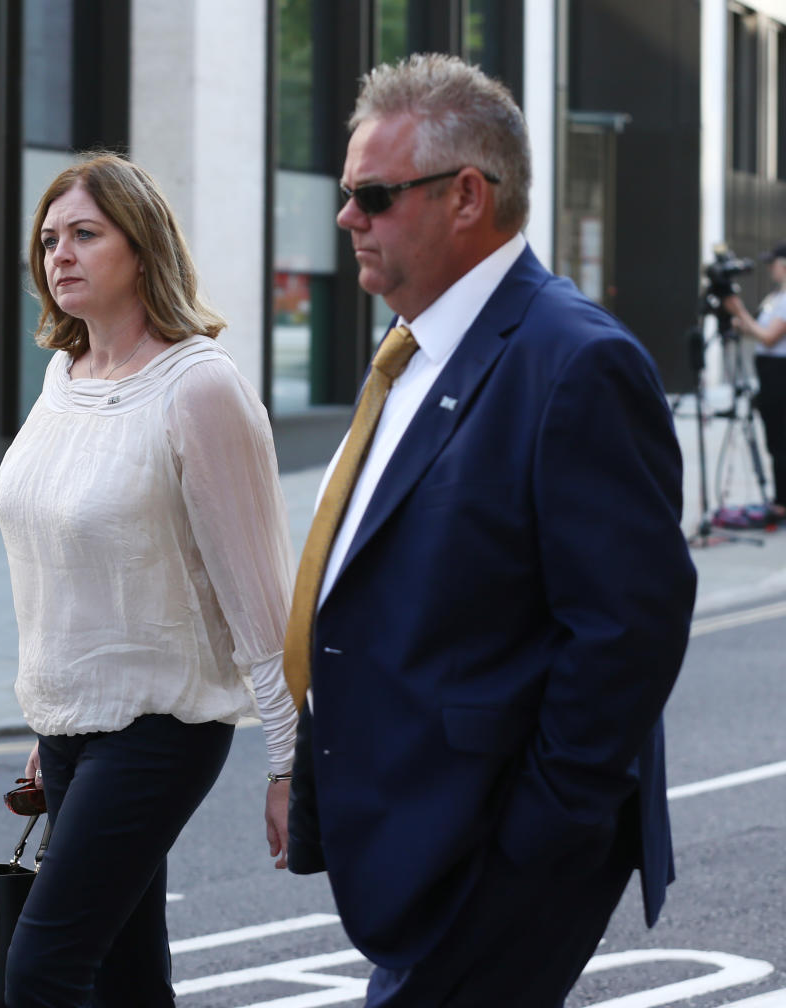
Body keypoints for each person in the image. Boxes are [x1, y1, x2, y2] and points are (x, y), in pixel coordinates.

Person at [282, 54, 696, 1007]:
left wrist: (538, 836)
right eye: (349, 194)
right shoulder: (412, 348)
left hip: (496, 850)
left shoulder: (576, 362)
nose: (348, 218)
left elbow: (629, 628)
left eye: (374, 195)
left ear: (467, 196)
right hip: (417, 834)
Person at [0, 152, 298, 1007]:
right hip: (70, 729)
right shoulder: (64, 379)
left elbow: (259, 593)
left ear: (143, 245)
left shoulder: (198, 388)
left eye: (86, 234)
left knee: (41, 970)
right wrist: (55, 705)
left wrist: (289, 760)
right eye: (50, 239)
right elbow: (67, 563)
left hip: (160, 729)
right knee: (127, 978)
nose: (61, 255)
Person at [724, 242, 786, 518]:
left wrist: (740, 313)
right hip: (769, 376)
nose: (771, 269)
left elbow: (769, 337)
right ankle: (780, 498)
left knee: (782, 441)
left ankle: (783, 503)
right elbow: (759, 331)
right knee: (775, 440)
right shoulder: (775, 297)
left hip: (780, 377)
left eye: (773, 263)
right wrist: (741, 322)